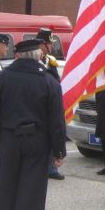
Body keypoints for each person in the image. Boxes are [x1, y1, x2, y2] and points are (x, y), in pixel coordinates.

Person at [0, 38, 67, 210]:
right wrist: (59, 151)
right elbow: (56, 121)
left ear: (18, 55)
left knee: (6, 189)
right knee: (31, 192)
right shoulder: (48, 81)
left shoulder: (2, 79)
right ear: (39, 55)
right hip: (37, 141)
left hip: (9, 138)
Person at [37, 28, 65, 180]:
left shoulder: (50, 62)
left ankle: (52, 167)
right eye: (49, 44)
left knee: (52, 134)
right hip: (38, 105)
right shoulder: (34, 59)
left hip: (50, 103)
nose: (52, 46)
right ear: (42, 44)